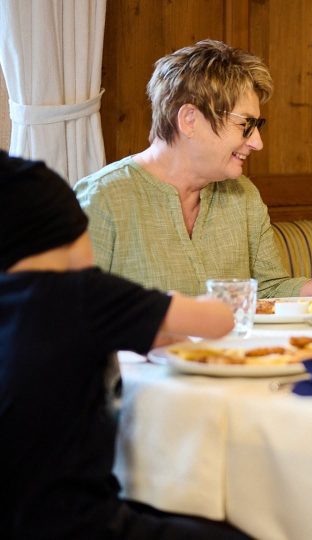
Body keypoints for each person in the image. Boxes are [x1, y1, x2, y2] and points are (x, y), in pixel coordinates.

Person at [0, 151, 250, 538]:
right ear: (67, 234)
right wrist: (161, 303)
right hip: (81, 524)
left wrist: (145, 326)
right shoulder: (85, 294)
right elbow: (217, 319)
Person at [74, 39, 312, 298]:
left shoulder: (242, 194)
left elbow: (268, 290)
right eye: (245, 125)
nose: (257, 143)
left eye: (257, 126)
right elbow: (72, 315)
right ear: (190, 119)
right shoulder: (102, 199)